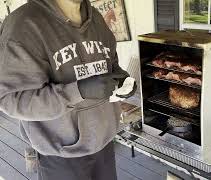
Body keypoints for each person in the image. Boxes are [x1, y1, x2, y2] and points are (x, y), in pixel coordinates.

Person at [0, 0, 136, 179]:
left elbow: (110, 62)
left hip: (105, 143)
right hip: (61, 156)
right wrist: (78, 91)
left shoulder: (95, 17)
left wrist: (122, 78)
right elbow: (12, 100)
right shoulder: (23, 24)